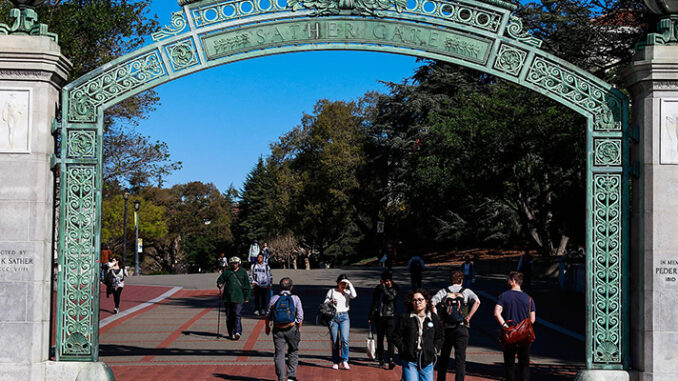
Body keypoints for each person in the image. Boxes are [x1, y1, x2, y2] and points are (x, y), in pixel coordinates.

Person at [431, 271, 481, 381]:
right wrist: (469, 317)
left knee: (444, 357)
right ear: (461, 281)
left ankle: (441, 379)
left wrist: (438, 318)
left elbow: (432, 302)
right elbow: (477, 301)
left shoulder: (444, 291)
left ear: (450, 280)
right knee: (460, 359)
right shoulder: (466, 291)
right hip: (461, 327)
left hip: (446, 328)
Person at [392, 289, 444, 381]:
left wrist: (435, 349)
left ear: (426, 301)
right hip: (410, 360)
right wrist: (404, 349)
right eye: (415, 300)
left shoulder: (433, 318)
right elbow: (395, 336)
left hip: (427, 360)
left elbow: (440, 336)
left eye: (420, 299)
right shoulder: (405, 317)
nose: (417, 302)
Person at [493, 271, 536, 381]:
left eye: (509, 279)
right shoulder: (529, 299)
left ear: (513, 281)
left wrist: (505, 326)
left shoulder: (504, 296)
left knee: (509, 362)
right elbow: (532, 319)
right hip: (524, 335)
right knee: (524, 362)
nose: (507, 281)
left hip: (509, 333)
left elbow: (496, 313)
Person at [265, 277, 304, 381]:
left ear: (280, 287)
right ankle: (291, 377)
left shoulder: (274, 298)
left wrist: (267, 327)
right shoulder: (295, 298)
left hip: (278, 329)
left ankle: (281, 378)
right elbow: (300, 317)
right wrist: (297, 329)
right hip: (291, 328)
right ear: (291, 287)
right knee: (293, 351)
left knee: (279, 354)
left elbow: (268, 315)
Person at [368, 271, 399, 369]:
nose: (389, 282)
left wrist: (384, 287)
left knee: (390, 339)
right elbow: (375, 303)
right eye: (386, 281)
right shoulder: (378, 289)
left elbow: (390, 297)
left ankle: (391, 359)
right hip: (379, 316)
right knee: (380, 339)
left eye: (390, 280)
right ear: (382, 281)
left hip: (390, 316)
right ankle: (381, 358)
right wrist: (371, 316)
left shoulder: (395, 287)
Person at [325, 274, 357, 370]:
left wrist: (350, 283)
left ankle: (344, 360)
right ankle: (335, 361)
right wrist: (331, 301)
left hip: (344, 316)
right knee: (335, 340)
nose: (343, 285)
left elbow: (354, 295)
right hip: (333, 317)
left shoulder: (348, 292)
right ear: (337, 283)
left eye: (345, 283)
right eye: (341, 283)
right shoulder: (331, 291)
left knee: (345, 339)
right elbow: (325, 302)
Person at [216, 256, 251, 340]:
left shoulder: (243, 272)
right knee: (229, 316)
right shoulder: (227, 272)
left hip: (239, 297)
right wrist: (219, 284)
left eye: (236, 263)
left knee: (237, 314)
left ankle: (238, 331)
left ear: (238, 263)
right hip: (228, 297)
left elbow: (247, 285)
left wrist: (247, 297)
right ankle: (231, 332)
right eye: (233, 263)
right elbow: (220, 280)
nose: (234, 265)